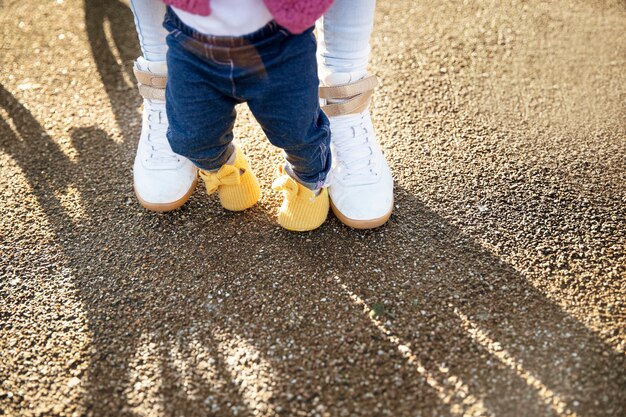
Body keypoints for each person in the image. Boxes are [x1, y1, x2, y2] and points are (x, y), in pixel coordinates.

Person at [130, 0, 394, 229]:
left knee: (300, 131)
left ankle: (309, 180)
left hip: (281, 42)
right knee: (191, 137)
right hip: (189, 42)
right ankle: (228, 169)